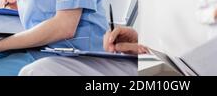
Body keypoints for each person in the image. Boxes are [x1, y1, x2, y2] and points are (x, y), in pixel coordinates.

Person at [19, 26, 147, 76]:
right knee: (34, 70)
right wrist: (138, 40)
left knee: (37, 71)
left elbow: (65, 26)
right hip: (143, 59)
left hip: (152, 66)